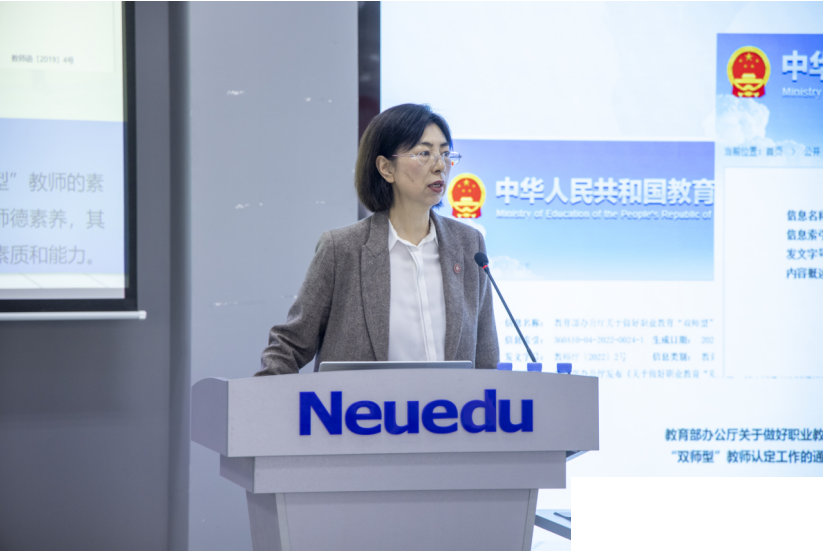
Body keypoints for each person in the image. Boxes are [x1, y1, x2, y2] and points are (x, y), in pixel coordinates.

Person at [256, 104, 499, 375]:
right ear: (386, 168)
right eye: (424, 153)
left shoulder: (469, 245)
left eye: (445, 153)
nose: (440, 166)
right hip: (358, 404)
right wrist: (260, 397)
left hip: (451, 404)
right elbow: (289, 346)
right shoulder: (342, 249)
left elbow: (486, 359)